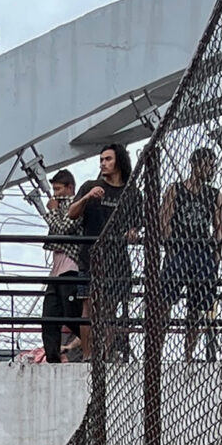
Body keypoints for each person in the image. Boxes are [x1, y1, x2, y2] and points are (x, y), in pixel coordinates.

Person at [70, 143, 137, 362]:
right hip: (90, 256)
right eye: (101, 160)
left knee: (110, 309)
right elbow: (72, 213)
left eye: (108, 159)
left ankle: (106, 354)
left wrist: (133, 231)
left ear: (119, 161)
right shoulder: (91, 185)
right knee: (88, 307)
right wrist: (87, 197)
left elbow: (138, 222)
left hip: (117, 258)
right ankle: (88, 355)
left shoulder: (131, 192)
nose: (104, 164)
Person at [163, 147, 222, 363]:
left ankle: (188, 355)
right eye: (207, 165)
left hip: (202, 251)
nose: (211, 170)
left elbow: (219, 226)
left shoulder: (214, 194)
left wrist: (215, 253)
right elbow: (165, 220)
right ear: (195, 165)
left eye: (212, 166)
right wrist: (171, 247)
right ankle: (159, 352)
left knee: (196, 308)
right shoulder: (176, 190)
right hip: (179, 249)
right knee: (165, 302)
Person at [34, 169, 87, 362]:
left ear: (69, 188)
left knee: (71, 313)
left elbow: (62, 228)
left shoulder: (75, 206)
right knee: (49, 317)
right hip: (58, 269)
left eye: (58, 189)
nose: (55, 194)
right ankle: (53, 358)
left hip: (72, 266)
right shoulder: (64, 207)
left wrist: (52, 211)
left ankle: (94, 342)